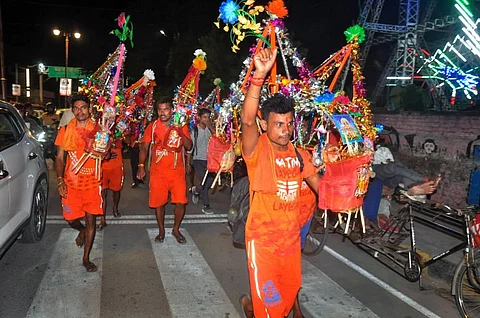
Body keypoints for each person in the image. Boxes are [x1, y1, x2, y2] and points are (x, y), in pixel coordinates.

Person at [239, 48, 320, 318]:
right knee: (272, 308)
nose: (285, 130)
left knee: (288, 294)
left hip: (290, 243)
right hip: (263, 243)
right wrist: (258, 77)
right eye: (278, 124)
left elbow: (320, 186)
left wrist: (346, 182)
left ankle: (250, 307)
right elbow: (247, 119)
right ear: (265, 125)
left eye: (288, 123)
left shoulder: (300, 154)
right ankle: (257, 308)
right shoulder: (257, 148)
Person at [55, 94, 104, 272]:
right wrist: (60, 180)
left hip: (92, 183)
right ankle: (81, 231)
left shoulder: (99, 130)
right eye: (76, 108)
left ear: (89, 109)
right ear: (72, 110)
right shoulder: (66, 129)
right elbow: (59, 158)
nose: (80, 111)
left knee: (91, 221)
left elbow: (103, 154)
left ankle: (86, 258)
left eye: (83, 107)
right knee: (70, 219)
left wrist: (104, 147)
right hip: (71, 183)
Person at [137, 97, 193, 244]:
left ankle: (176, 229)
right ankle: (161, 231)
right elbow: (144, 146)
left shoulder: (181, 125)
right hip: (158, 172)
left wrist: (180, 131)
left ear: (172, 110)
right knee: (159, 203)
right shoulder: (153, 126)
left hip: (177, 171)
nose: (163, 113)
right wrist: (141, 166)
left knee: (181, 202)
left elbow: (188, 146)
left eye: (166, 109)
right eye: (160, 110)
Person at [186, 108, 216, 214]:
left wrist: (210, 126)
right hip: (198, 159)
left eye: (208, 117)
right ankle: (206, 205)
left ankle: (197, 190)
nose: (206, 119)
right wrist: (188, 163)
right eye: (204, 117)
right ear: (199, 117)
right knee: (204, 180)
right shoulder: (195, 130)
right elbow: (190, 148)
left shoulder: (210, 129)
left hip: (209, 159)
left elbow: (218, 137)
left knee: (211, 181)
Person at [98, 136, 124, 230]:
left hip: (116, 165)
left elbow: (127, 141)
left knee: (116, 191)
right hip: (102, 166)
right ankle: (102, 219)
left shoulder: (122, 123)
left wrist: (118, 138)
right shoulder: (98, 125)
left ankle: (115, 208)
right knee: (102, 193)